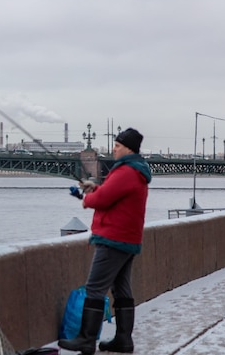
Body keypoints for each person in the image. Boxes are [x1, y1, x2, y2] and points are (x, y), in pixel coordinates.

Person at [58, 128, 151, 355]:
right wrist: (96, 188)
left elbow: (104, 199)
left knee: (95, 288)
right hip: (127, 239)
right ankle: (123, 340)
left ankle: (86, 340)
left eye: (117, 146)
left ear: (128, 148)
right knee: (121, 290)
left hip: (113, 238)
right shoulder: (134, 171)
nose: (114, 149)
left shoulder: (127, 171)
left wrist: (88, 197)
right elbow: (112, 194)